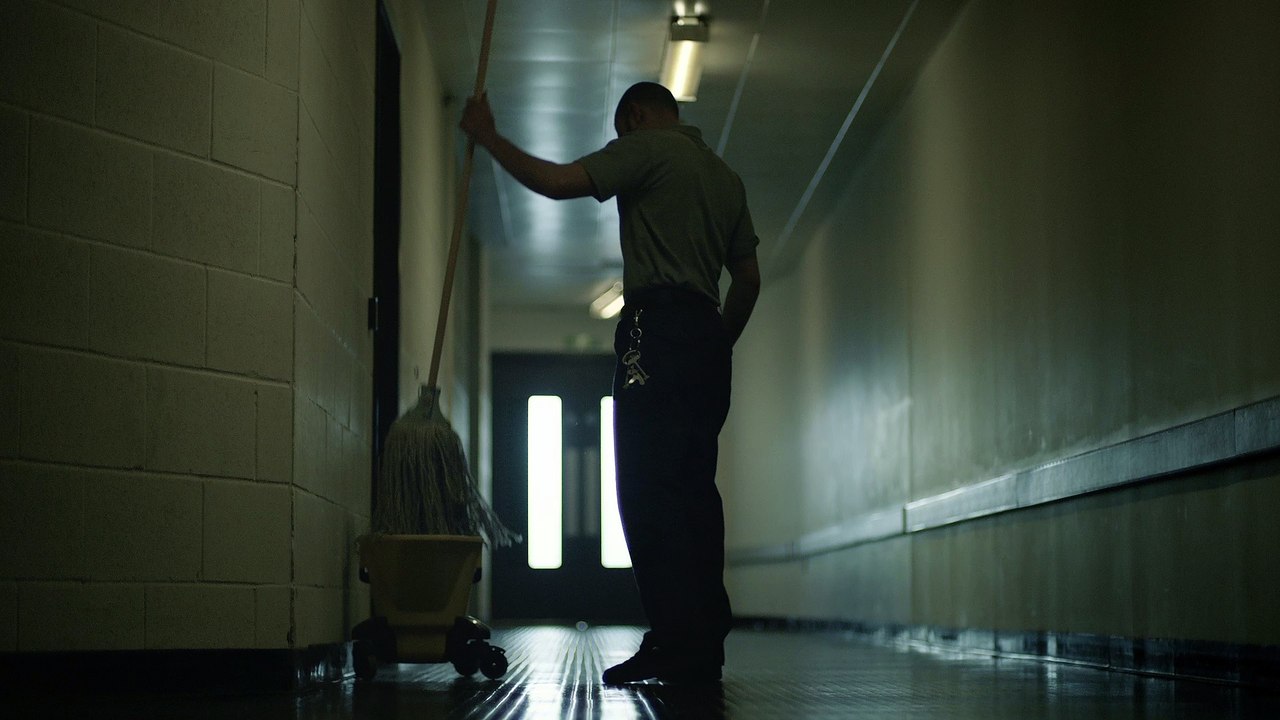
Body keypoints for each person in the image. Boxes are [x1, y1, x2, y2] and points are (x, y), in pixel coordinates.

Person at [460, 81, 761, 684]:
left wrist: (488, 137)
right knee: (696, 492)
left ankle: (674, 642)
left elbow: (560, 183)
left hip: (656, 326)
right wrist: (712, 346)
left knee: (646, 491)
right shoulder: (726, 177)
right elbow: (748, 280)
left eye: (621, 128)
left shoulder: (648, 146)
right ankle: (703, 642)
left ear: (635, 115)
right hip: (706, 332)